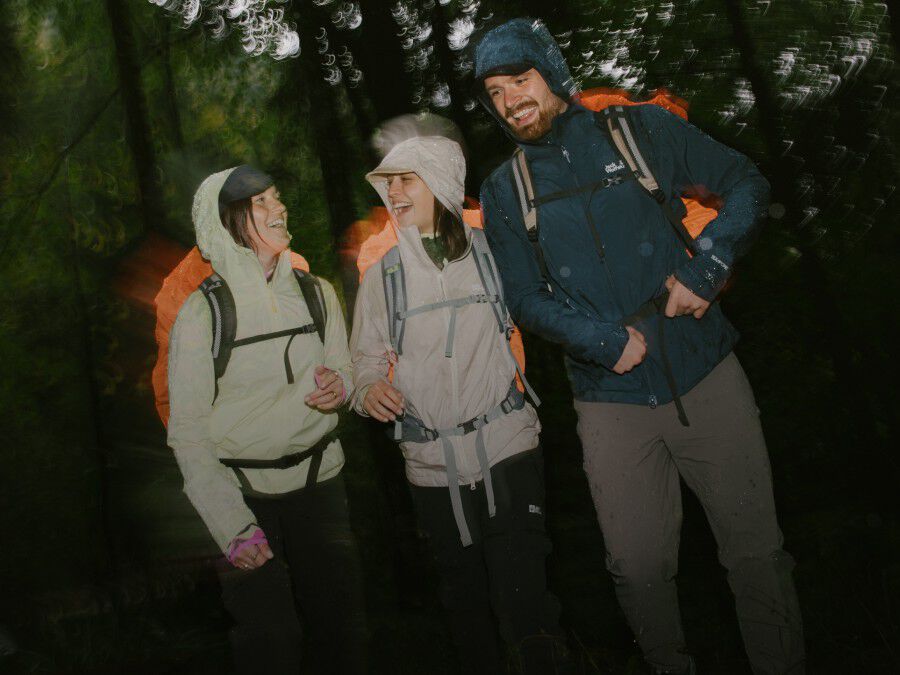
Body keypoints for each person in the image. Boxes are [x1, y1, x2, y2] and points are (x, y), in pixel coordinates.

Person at [473, 18, 805, 675]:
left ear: (551, 73)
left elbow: (746, 181)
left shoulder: (639, 130)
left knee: (755, 552)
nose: (510, 100)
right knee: (638, 568)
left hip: (706, 371)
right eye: (495, 92)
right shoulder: (504, 190)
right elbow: (523, 298)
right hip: (609, 401)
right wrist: (597, 340)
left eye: (520, 80)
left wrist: (710, 265)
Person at [349, 136, 570, 674]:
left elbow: (552, 298)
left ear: (441, 185)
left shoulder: (496, 253)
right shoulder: (383, 277)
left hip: (508, 444)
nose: (393, 193)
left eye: (406, 180)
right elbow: (364, 364)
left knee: (526, 600)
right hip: (431, 467)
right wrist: (368, 389)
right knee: (465, 609)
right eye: (388, 184)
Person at [166, 166, 366, 674]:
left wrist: (340, 388)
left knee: (340, 629)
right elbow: (188, 434)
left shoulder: (318, 293)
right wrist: (231, 527)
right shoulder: (202, 315)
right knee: (270, 641)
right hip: (243, 496)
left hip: (321, 485)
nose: (280, 209)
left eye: (277, 198)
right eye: (262, 203)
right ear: (226, 220)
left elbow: (343, 369)